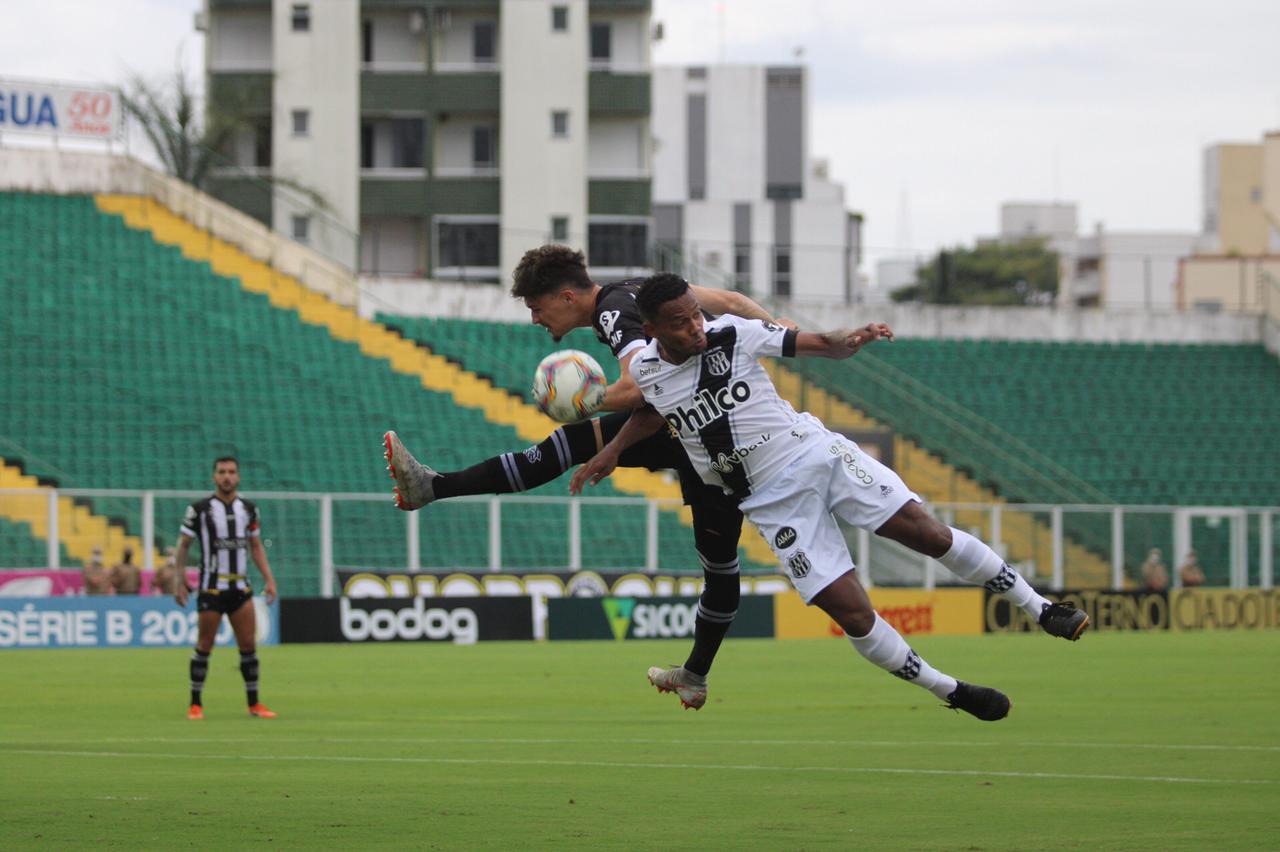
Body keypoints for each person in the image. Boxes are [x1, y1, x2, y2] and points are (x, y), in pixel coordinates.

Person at [570, 274, 1090, 721]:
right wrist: (611, 450)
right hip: (771, 503)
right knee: (854, 615)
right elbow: (654, 408)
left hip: (815, 454)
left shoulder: (733, 334)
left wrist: (850, 339)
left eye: (696, 316)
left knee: (927, 533)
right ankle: (951, 690)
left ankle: (1042, 609)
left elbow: (812, 342)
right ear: (654, 330)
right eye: (681, 324)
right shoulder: (645, 372)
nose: (696, 328)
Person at [384, 245, 790, 709]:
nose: (536, 319)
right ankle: (433, 486)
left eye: (537, 308)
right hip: (693, 420)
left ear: (565, 297)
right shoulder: (636, 291)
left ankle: (695, 675)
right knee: (577, 448)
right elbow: (735, 302)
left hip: (707, 434)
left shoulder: (614, 314)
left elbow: (639, 387)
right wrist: (787, 334)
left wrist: (583, 400)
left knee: (720, 565)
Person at [173, 456, 278, 720]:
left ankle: (254, 704)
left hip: (240, 588)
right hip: (211, 588)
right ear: (214, 477)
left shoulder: (249, 509)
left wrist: (269, 578)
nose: (227, 476)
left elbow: (255, 547)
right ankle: (195, 704)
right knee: (204, 644)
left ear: (238, 476)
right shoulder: (199, 509)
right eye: (222, 472)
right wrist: (179, 579)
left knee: (248, 646)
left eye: (231, 472)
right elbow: (183, 545)